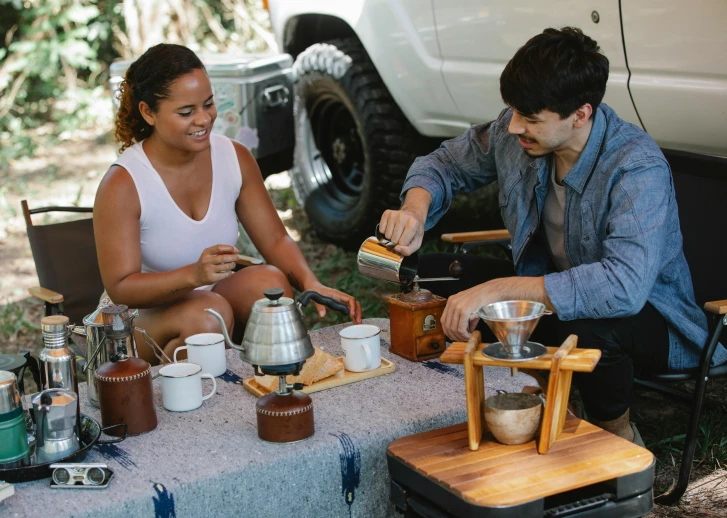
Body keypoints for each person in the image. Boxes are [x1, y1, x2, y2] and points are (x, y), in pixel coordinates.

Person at [379, 27, 726, 443]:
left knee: (592, 327)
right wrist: (415, 209)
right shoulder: (519, 131)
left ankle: (615, 436)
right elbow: (446, 163)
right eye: (513, 112)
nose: (513, 128)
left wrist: (498, 291)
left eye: (531, 119)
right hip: (557, 298)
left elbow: (623, 288)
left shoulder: (635, 167)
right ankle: (488, 401)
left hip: (650, 319)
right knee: (432, 274)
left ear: (580, 114)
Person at [94, 43, 362, 363]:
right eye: (186, 112)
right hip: (133, 321)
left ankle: (267, 387)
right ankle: (180, 403)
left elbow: (275, 238)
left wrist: (311, 281)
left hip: (205, 298)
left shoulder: (233, 157)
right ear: (148, 112)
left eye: (208, 104)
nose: (204, 119)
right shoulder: (124, 183)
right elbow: (122, 287)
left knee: (270, 287)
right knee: (207, 318)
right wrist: (193, 275)